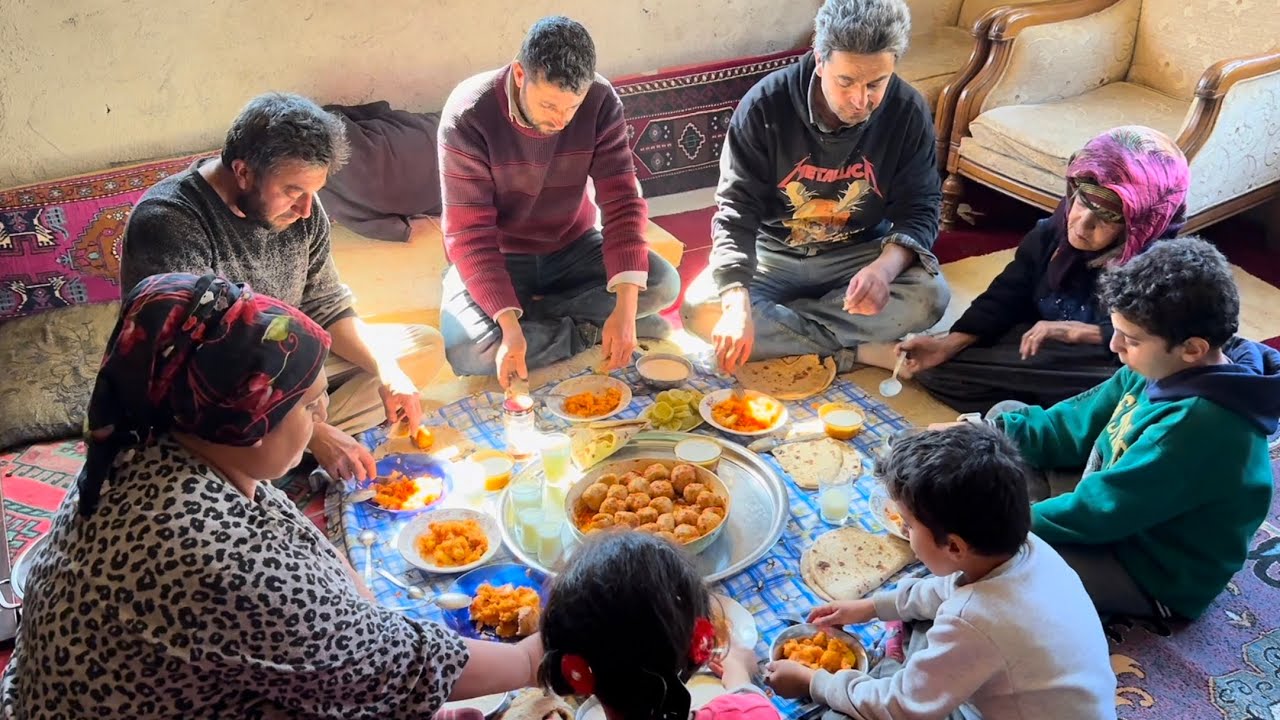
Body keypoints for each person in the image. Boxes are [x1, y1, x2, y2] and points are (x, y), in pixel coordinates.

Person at [0, 273, 538, 719]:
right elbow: (392, 662)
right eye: (310, 407)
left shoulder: (142, 440)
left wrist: (367, 630)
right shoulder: (214, 552)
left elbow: (299, 543)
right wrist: (533, 660)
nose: (324, 418)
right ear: (245, 423)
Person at [121, 92, 443, 484]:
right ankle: (293, 449)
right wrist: (314, 431)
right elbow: (197, 369)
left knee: (420, 349)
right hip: (211, 394)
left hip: (288, 368)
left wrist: (388, 372)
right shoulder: (169, 224)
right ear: (242, 172)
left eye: (315, 192)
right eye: (293, 191)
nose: (307, 209)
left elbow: (326, 305)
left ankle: (285, 452)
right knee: (201, 442)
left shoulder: (303, 211)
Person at [963, 238, 1279, 619]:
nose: (1114, 346)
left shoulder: (1200, 427)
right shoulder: (1160, 366)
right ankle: (1016, 508)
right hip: (1113, 497)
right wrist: (980, 430)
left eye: (1130, 340)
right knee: (1003, 421)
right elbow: (1071, 425)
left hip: (1148, 567)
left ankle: (1016, 519)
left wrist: (997, 527)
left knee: (1010, 566)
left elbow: (1099, 512)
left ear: (1193, 349)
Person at [765, 424, 1115, 720]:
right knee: (919, 595)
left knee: (843, 712)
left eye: (909, 525)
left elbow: (901, 706)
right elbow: (948, 588)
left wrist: (813, 683)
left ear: (955, 547)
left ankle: (896, 669)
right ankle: (906, 667)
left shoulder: (973, 621)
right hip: (1063, 695)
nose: (904, 532)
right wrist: (871, 607)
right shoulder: (1030, 550)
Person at [680, 0, 949, 374]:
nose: (860, 100)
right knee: (700, 311)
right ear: (820, 61)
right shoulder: (764, 106)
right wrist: (738, 303)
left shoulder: (908, 110)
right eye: (846, 81)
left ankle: (782, 326)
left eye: (876, 84)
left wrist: (884, 271)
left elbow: (921, 206)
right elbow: (736, 211)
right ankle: (858, 351)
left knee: (930, 298)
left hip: (860, 255)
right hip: (773, 252)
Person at [438, 16, 680, 387]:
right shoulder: (468, 114)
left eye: (572, 108)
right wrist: (507, 326)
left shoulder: (600, 100)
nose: (561, 121)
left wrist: (627, 307)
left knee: (664, 284)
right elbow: (469, 235)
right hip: (500, 254)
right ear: (520, 75)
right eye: (550, 105)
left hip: (573, 245)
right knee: (469, 349)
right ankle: (585, 328)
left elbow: (622, 202)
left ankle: (543, 317)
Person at [889, 126, 1190, 413]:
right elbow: (1009, 293)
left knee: (1133, 395)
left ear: (1143, 222)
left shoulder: (1161, 270)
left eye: (1108, 217)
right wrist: (951, 343)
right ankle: (1051, 416)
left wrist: (1081, 333)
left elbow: (1157, 343)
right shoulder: (1051, 232)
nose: (1082, 224)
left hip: (1104, 362)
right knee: (941, 367)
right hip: (1041, 345)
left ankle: (1057, 417)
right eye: (1081, 202)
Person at [540, 532, 779, 720]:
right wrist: (739, 674)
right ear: (699, 645)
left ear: (575, 672)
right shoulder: (754, 713)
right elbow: (754, 709)